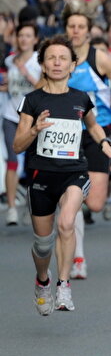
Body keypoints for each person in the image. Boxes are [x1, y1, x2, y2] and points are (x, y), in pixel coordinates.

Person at [15, 36, 111, 314]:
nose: (57, 63)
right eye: (51, 58)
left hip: (74, 172)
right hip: (41, 176)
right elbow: (17, 145)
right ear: (43, 64)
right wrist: (34, 130)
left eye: (63, 58)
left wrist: (105, 144)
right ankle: (43, 280)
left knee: (66, 223)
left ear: (73, 65)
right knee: (42, 245)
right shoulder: (32, 100)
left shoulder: (80, 98)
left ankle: (64, 285)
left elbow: (93, 125)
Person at [65, 1, 111, 280]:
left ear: (89, 30)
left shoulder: (100, 59)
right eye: (71, 26)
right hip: (66, 134)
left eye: (81, 26)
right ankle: (77, 257)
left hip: (98, 132)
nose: (76, 31)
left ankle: (76, 204)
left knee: (94, 203)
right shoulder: (58, 57)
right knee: (71, 196)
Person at [3, 20, 41, 226]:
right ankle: (11, 208)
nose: (24, 39)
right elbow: (10, 86)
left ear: (35, 39)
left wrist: (25, 72)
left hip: (33, 119)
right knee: (12, 160)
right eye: (21, 35)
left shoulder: (39, 61)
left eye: (28, 36)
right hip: (11, 116)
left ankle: (31, 204)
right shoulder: (10, 61)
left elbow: (42, 87)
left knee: (33, 164)